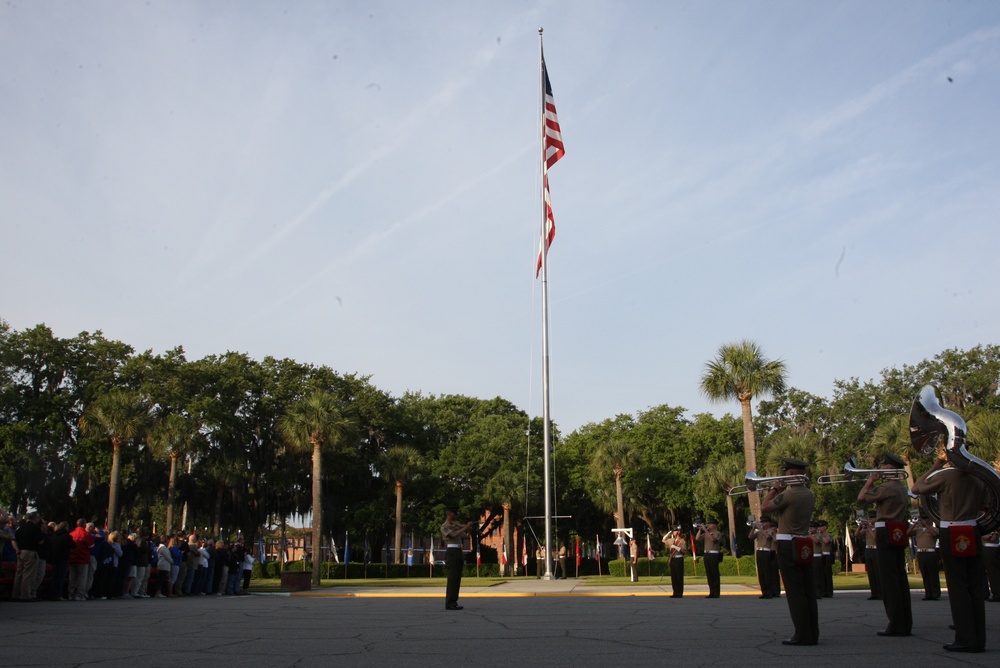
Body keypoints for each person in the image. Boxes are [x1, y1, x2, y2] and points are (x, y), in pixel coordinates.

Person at [912, 456, 989, 652]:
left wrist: (935, 466)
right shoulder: (979, 477)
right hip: (972, 529)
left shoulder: (947, 475)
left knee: (958, 587)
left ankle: (965, 639)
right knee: (974, 587)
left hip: (952, 530)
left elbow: (916, 488)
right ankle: (978, 638)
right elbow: (985, 506)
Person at [761, 457, 818, 646]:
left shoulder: (789, 494)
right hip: (803, 541)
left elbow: (765, 507)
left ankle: (802, 634)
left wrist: (775, 488)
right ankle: (812, 632)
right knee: (807, 590)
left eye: (786, 472)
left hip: (788, 543)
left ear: (792, 473)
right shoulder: (808, 493)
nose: (783, 476)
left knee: (795, 591)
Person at [858, 452, 912, 637]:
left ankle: (896, 623)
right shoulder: (901, 487)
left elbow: (861, 498)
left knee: (888, 579)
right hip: (897, 529)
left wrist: (870, 481)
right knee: (898, 577)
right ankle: (905, 621)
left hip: (885, 530)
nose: (879, 470)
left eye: (883, 467)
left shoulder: (887, 487)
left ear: (890, 469)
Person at [440, 507, 476, 610]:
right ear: (449, 513)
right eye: (454, 514)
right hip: (452, 552)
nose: (456, 516)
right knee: (452, 578)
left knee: (457, 578)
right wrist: (465, 526)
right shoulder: (444, 526)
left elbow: (468, 531)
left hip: (458, 551)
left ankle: (454, 601)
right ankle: (449, 603)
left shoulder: (455, 525)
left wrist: (460, 525)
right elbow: (454, 535)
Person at [907, 512, 941, 600]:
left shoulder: (934, 529)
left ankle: (935, 593)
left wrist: (927, 526)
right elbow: (908, 533)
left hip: (930, 552)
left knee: (933, 574)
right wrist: (915, 523)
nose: (925, 521)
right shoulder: (918, 530)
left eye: (926, 519)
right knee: (925, 574)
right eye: (923, 519)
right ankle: (928, 593)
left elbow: (934, 534)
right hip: (921, 553)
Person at [11, 512, 43, 601]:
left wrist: (17, 549)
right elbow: (40, 541)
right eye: (38, 517)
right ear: (34, 518)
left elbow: (14, 540)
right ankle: (25, 595)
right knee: (28, 575)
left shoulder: (21, 528)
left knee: (19, 574)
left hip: (20, 551)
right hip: (30, 552)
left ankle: (15, 594)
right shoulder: (34, 528)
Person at [748, 517, 775, 598]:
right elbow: (750, 537)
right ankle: (764, 592)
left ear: (769, 523)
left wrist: (760, 528)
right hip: (759, 551)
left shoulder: (771, 531)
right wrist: (753, 528)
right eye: (762, 522)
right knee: (761, 573)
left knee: (767, 572)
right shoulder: (759, 531)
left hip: (767, 551)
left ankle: (770, 592)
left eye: (765, 522)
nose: (763, 524)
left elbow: (768, 537)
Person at [695, 520, 722, 598]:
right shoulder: (706, 533)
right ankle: (711, 592)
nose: (709, 525)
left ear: (714, 525)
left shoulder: (717, 533)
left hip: (714, 554)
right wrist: (700, 529)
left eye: (711, 524)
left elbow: (713, 540)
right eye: (709, 524)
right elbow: (697, 538)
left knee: (714, 573)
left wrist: (706, 530)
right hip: (706, 554)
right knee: (709, 574)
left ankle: (716, 593)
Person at [665, 527, 686, 598]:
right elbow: (663, 540)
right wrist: (668, 533)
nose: (674, 532)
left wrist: (676, 547)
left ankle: (679, 593)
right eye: (673, 531)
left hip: (679, 559)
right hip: (673, 559)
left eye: (675, 531)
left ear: (678, 532)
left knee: (679, 576)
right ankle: (675, 592)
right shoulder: (672, 540)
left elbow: (684, 551)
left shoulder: (682, 541)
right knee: (673, 577)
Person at [983, 528, 1000, 602]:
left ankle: (997, 593)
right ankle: (984, 593)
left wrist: (993, 535)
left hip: (990, 546)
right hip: (984, 545)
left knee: (993, 571)